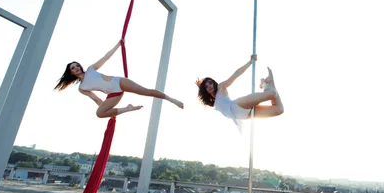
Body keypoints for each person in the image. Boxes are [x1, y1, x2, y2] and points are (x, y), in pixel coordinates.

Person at [55, 39, 184, 117]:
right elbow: (96, 99)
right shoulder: (82, 88)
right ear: (70, 73)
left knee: (146, 92)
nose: (76, 68)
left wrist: (118, 44)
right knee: (99, 113)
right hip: (113, 94)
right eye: (73, 68)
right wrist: (108, 111)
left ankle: (172, 100)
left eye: (77, 65)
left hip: (119, 82)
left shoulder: (90, 69)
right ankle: (127, 109)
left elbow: (106, 57)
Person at [196, 54, 284, 131]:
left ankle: (264, 84)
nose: (210, 86)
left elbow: (235, 75)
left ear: (214, 83)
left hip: (238, 105)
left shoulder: (221, 87)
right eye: (206, 87)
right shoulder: (213, 103)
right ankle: (270, 83)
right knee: (279, 110)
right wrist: (200, 86)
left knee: (272, 94)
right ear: (205, 91)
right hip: (243, 116)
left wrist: (249, 62)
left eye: (210, 83)